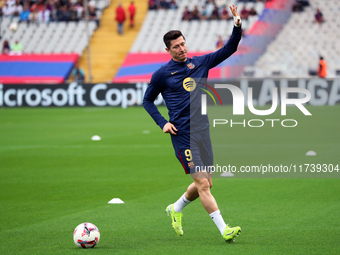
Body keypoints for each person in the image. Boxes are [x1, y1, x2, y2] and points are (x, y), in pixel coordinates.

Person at [143, 4, 242, 243]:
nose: (181, 49)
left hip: (202, 131)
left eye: (183, 43)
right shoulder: (162, 74)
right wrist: (162, 123)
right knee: (202, 184)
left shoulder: (201, 63)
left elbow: (230, 48)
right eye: (175, 46)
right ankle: (224, 229)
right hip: (182, 135)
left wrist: (237, 26)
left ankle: (175, 209)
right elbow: (147, 101)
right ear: (167, 50)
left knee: (206, 183)